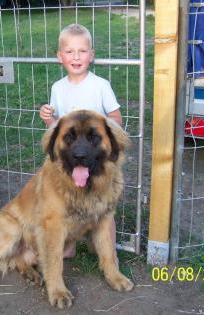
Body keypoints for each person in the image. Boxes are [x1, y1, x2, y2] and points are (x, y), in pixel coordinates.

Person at [39, 23, 122, 267]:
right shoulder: (58, 88)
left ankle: (111, 256)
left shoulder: (100, 85)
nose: (76, 57)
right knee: (68, 203)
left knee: (104, 205)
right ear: (60, 57)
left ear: (91, 55)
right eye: (70, 51)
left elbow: (117, 119)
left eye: (82, 51)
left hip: (95, 157)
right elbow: (57, 132)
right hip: (72, 158)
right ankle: (69, 246)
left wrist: (100, 127)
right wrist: (49, 120)